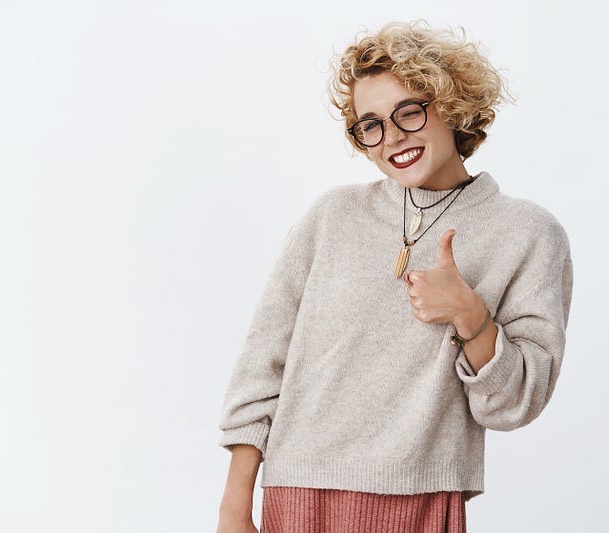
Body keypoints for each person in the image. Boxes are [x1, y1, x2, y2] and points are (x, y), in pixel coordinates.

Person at [216, 20, 574, 533]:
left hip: (420, 497)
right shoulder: (331, 217)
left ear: (452, 105)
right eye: (372, 124)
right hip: (297, 493)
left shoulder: (527, 232)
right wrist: (234, 504)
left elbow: (516, 402)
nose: (393, 138)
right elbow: (263, 362)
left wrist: (470, 316)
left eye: (410, 111)